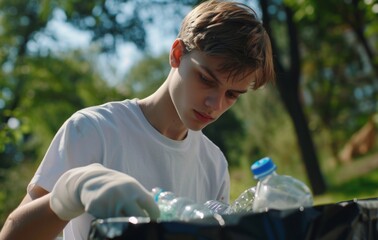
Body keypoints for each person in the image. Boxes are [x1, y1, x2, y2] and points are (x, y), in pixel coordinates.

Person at [0, 0, 275, 239]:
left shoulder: (213, 164)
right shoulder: (93, 129)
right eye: (205, 79)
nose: (215, 104)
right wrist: (68, 195)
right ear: (177, 54)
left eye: (232, 94)